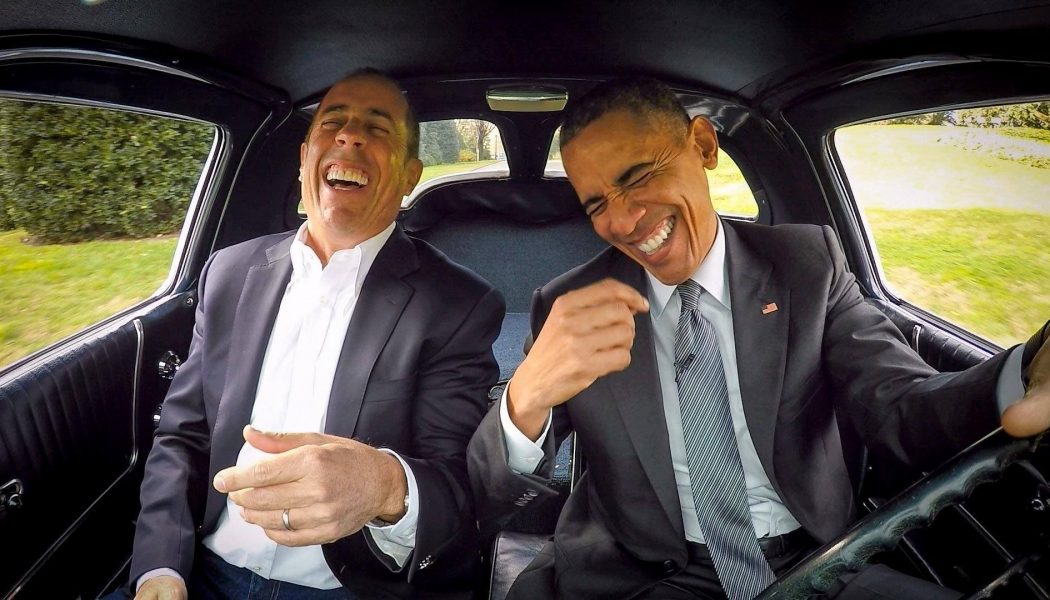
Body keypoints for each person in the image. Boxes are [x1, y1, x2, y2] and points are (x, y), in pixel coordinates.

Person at [467, 76, 1050, 600]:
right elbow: (494, 496)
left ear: (703, 146)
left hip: (820, 562)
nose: (621, 222)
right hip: (643, 577)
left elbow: (899, 406)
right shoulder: (570, 306)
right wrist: (525, 399)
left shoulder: (808, 265)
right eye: (596, 205)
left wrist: (1023, 373)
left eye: (639, 176)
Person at [124, 69, 504, 600]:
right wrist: (160, 568)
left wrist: (383, 486)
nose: (350, 136)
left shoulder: (457, 304)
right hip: (201, 573)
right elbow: (182, 436)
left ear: (409, 175)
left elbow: (461, 485)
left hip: (350, 586)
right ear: (305, 158)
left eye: (378, 128)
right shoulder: (228, 273)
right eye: (333, 122)